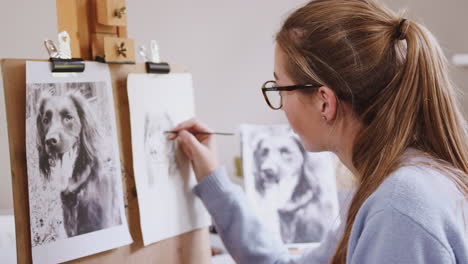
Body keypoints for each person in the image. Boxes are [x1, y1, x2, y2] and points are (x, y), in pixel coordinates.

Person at [168, 0, 468, 263]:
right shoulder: (389, 184)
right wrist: (212, 178)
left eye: (281, 87)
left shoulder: (399, 206)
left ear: (325, 102)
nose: (281, 104)